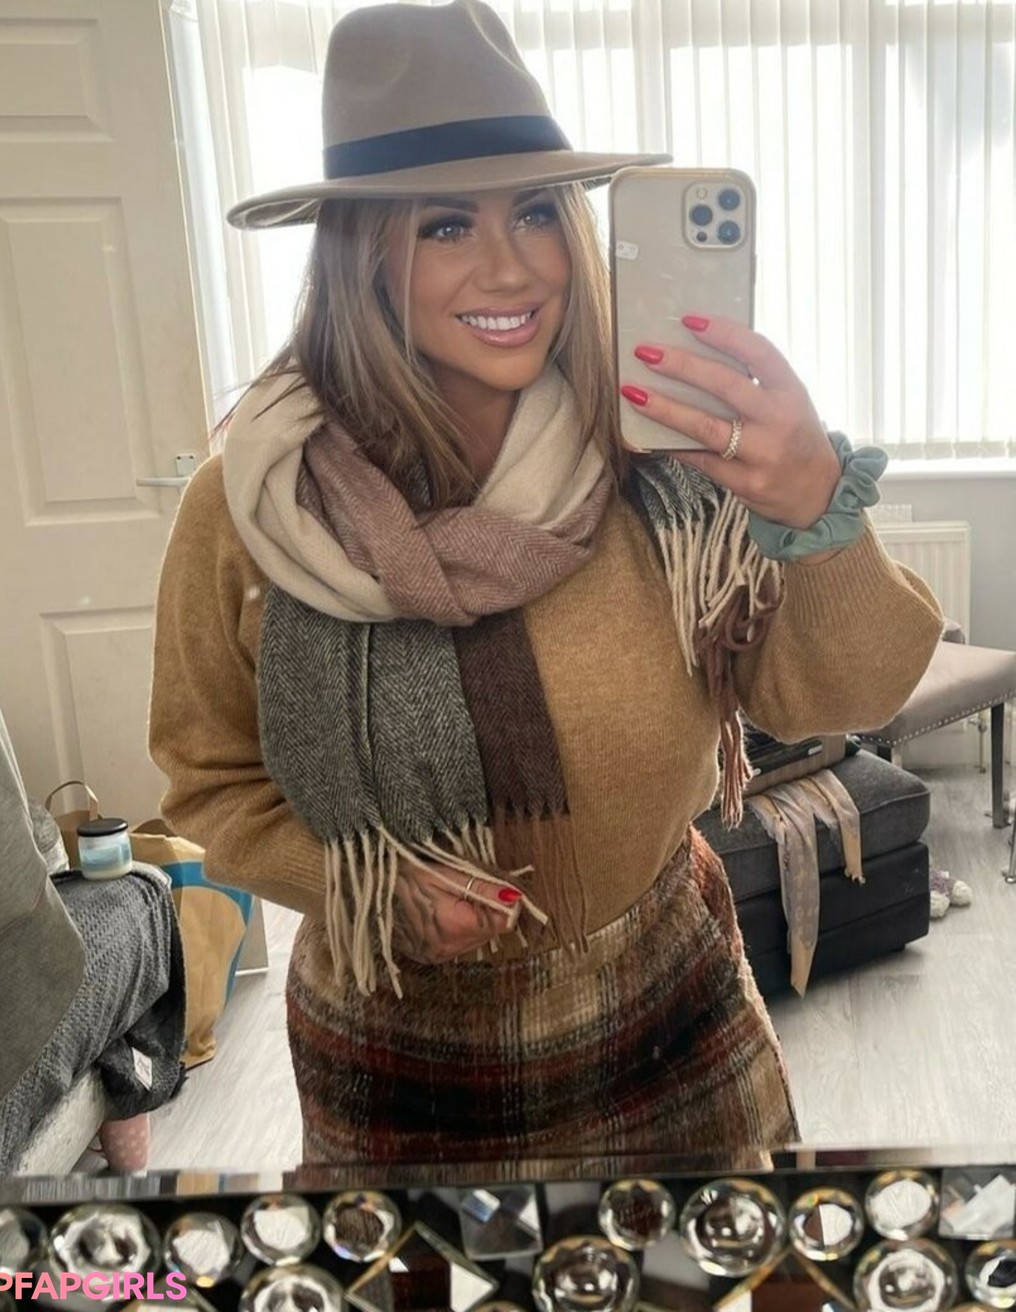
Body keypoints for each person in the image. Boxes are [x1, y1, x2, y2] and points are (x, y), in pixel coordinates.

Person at [150, 0, 941, 1163]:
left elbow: (845, 696)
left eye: (534, 211)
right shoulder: (252, 504)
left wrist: (814, 503)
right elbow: (208, 782)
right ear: (366, 252)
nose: (511, 265)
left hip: (668, 1011)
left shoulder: (667, 451)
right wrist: (367, 889)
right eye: (445, 226)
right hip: (396, 1051)